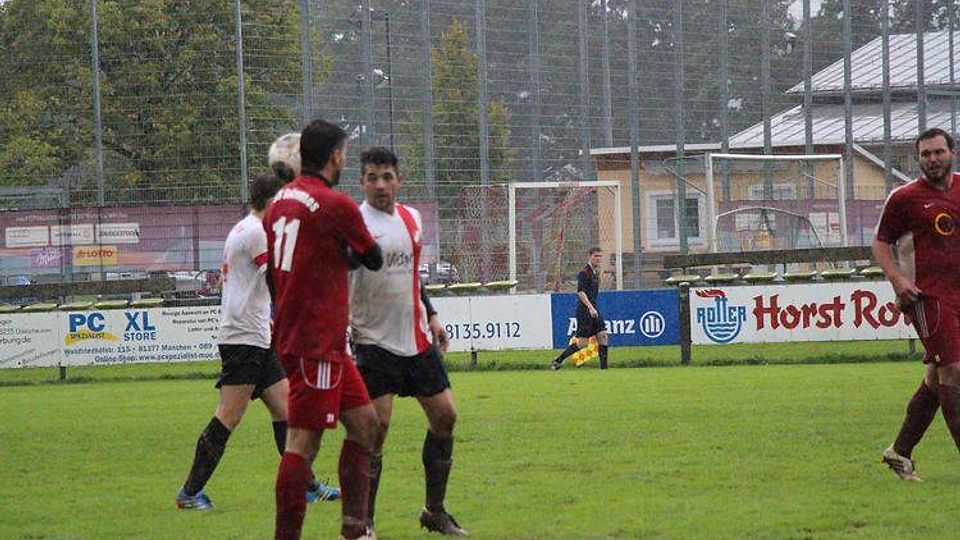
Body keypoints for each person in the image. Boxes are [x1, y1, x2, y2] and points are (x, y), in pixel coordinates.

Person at [175, 174, 339, 511]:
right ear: (271, 202)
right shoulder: (257, 232)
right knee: (228, 415)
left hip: (256, 336)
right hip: (244, 338)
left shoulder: (244, 228)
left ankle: (306, 487)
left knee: (287, 410)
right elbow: (280, 279)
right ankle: (189, 493)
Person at [265, 119, 383, 540]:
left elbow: (277, 273)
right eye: (345, 152)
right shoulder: (335, 205)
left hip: (315, 338)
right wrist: (347, 249)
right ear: (335, 155)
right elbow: (373, 257)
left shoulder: (280, 201)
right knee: (303, 442)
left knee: (366, 424)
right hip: (314, 341)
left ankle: (355, 530)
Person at [349, 147, 467, 536]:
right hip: (373, 342)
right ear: (362, 182)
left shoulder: (411, 218)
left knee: (446, 416)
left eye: (387, 177)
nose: (380, 185)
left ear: (399, 179)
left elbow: (414, 276)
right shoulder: (355, 224)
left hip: (415, 339)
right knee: (375, 430)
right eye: (372, 178)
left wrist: (431, 315)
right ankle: (364, 523)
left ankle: (434, 511)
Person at [874, 127, 960, 482]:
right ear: (918, 159)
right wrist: (898, 280)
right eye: (926, 154)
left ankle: (899, 452)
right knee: (954, 370)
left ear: (952, 153)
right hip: (928, 298)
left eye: (938, 152)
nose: (932, 159)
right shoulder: (905, 198)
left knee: (936, 379)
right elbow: (881, 243)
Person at [549, 247, 609, 370]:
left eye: (600, 256)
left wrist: (594, 308)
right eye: (595, 256)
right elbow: (581, 292)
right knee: (583, 342)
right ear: (590, 256)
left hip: (594, 309)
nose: (598, 258)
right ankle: (558, 360)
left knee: (603, 336)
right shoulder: (584, 273)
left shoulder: (596, 273)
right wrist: (590, 308)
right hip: (585, 311)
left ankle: (604, 369)